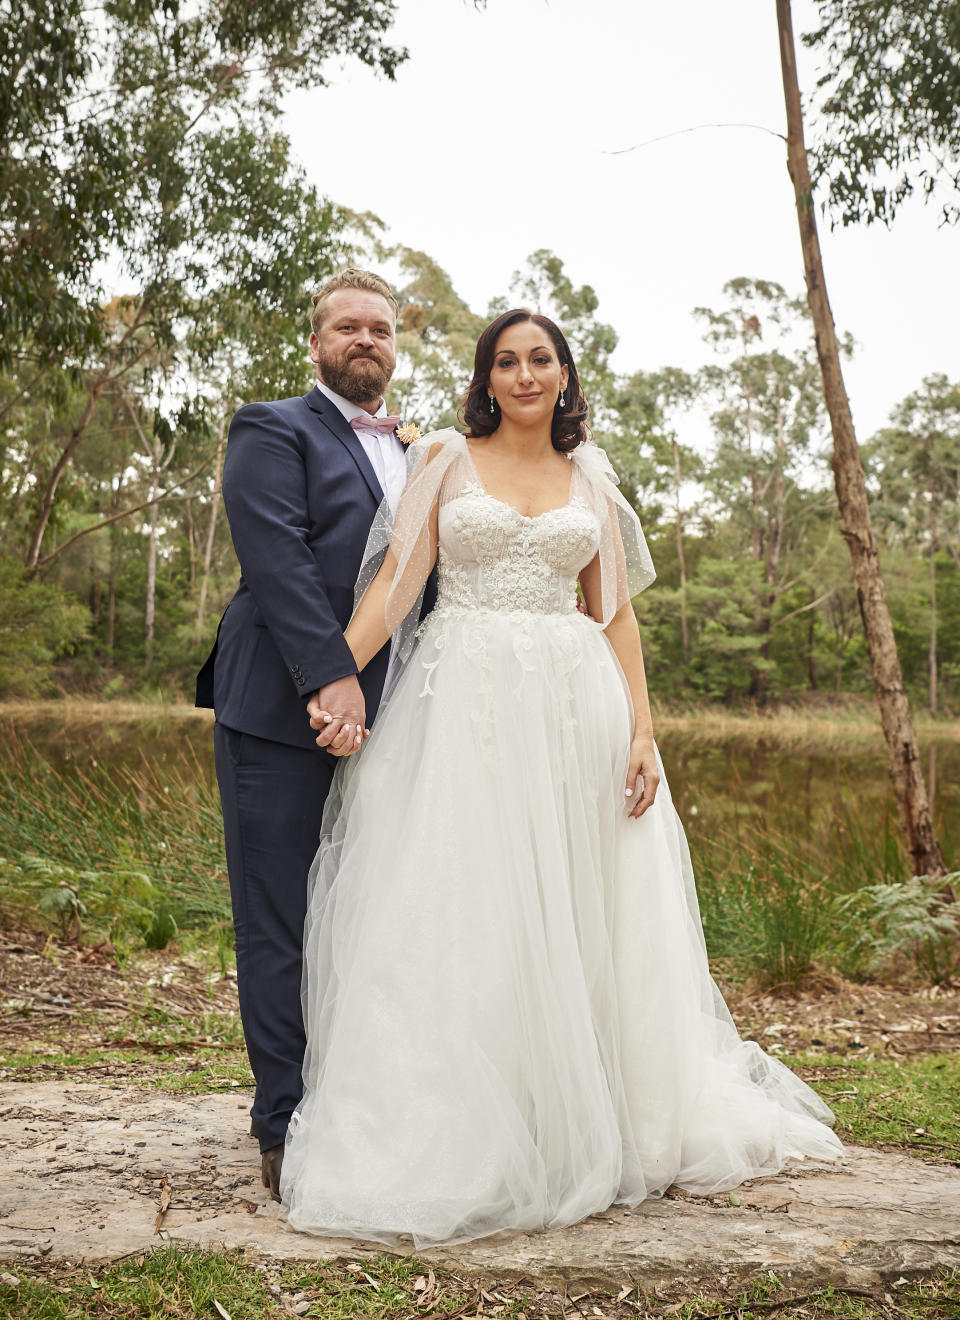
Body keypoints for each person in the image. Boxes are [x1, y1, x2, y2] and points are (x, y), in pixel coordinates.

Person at [278, 308, 844, 1247]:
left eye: (541, 359)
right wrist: (333, 675)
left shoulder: (592, 477)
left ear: (566, 375)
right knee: (471, 903)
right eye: (507, 361)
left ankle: (589, 1110)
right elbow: (396, 587)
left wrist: (644, 733)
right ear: (486, 378)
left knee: (582, 907)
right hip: (463, 708)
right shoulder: (445, 461)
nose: (525, 374)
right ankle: (468, 1126)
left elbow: (614, 615)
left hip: (579, 711)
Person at [195, 269, 430, 1200]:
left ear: (396, 343)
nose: (364, 339)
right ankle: (285, 1124)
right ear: (316, 344)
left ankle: (367, 1104)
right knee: (280, 921)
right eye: (346, 327)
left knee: (373, 920)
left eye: (379, 327)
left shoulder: (424, 449)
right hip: (283, 714)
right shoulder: (271, 428)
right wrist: (334, 680)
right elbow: (280, 560)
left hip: (400, 721)